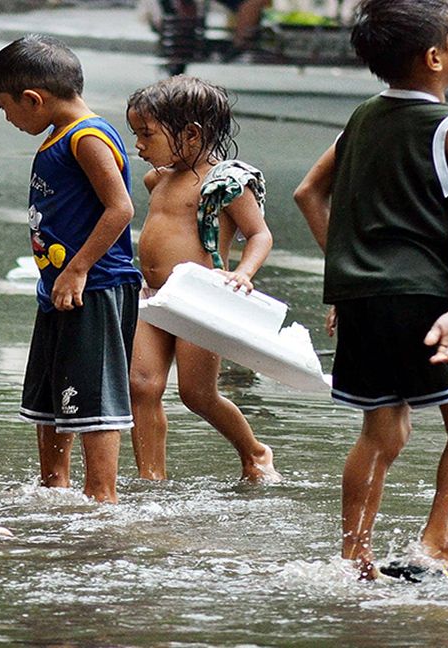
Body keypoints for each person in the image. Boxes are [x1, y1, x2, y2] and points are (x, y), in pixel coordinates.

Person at [293, 0, 448, 581]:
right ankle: (434, 547)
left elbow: (310, 193)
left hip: (361, 299)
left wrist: (346, 279)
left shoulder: (362, 116)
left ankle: (355, 557)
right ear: (435, 59)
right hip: (424, 298)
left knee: (381, 429)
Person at [0, 35, 142, 503]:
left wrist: (78, 269)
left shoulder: (86, 137)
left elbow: (121, 209)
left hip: (93, 287)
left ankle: (101, 498)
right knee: (53, 396)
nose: (7, 118)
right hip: (59, 288)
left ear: (33, 99)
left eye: (4, 107)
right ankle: (55, 486)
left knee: (93, 401)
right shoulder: (58, 135)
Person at [126, 76, 278, 483]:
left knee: (197, 395)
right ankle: (151, 477)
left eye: (147, 135)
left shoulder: (224, 184)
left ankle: (255, 451)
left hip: (199, 300)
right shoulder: (158, 179)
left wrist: (243, 273)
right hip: (153, 297)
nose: (139, 145)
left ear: (191, 134)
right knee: (141, 384)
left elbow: (260, 234)